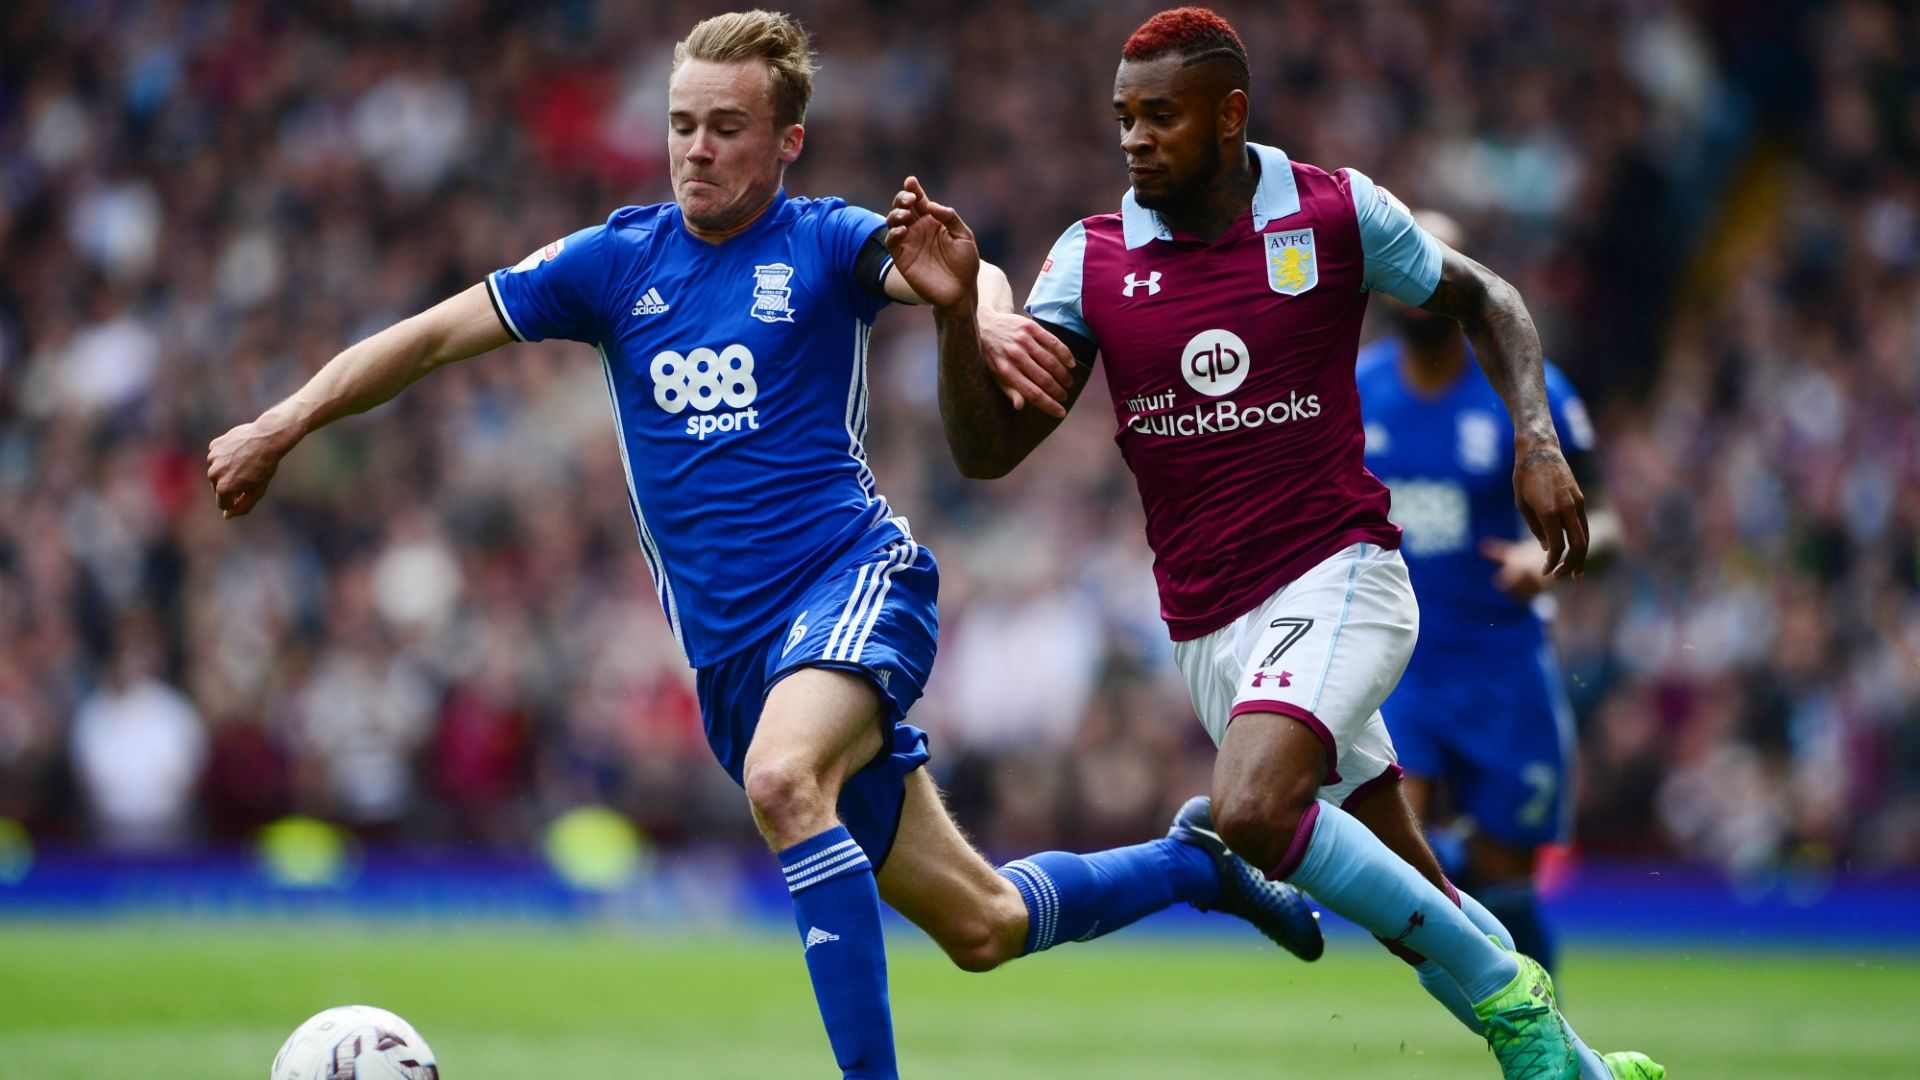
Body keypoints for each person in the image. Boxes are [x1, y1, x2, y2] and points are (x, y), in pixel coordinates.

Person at [205, 11, 1318, 1080]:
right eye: (683, 123)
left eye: (726, 127)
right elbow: (431, 336)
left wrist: (977, 312)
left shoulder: (823, 241)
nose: (697, 148)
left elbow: (956, 266)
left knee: (788, 782)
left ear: (786, 140)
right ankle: (1194, 865)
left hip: (853, 583)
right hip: (738, 662)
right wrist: (280, 421)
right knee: (982, 925)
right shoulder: (614, 263)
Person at [884, 6, 1660, 1079]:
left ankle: (1506, 993)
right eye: (1124, 117)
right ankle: (1575, 1064)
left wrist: (1536, 438)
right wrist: (952, 317)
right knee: (1409, 889)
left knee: (1249, 808)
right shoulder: (1093, 260)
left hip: (1342, 573)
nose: (1135, 138)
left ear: (1229, 114)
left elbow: (1490, 299)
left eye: (1160, 116)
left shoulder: (1336, 213)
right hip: (1209, 628)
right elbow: (987, 452)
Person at [1357, 209, 1623, 979]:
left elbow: (1607, 526)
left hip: (1503, 665)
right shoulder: (1355, 388)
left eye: (1429, 261)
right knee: (1393, 860)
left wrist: (1552, 561)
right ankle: (1454, 866)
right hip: (1396, 666)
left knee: (1508, 885)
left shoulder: (1524, 387)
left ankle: (1543, 1037)